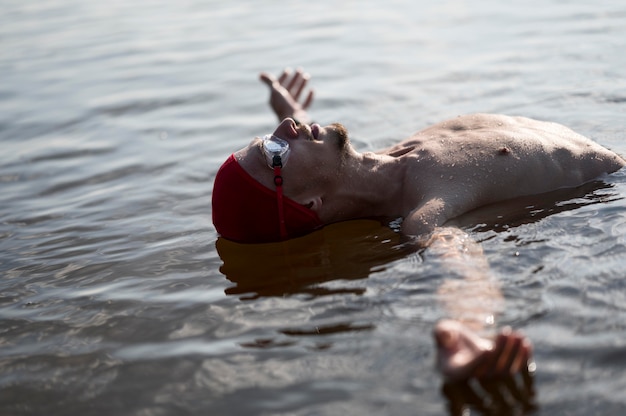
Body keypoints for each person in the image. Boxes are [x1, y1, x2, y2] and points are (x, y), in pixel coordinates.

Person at [211, 68, 625, 411]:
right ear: (312, 202)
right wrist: (466, 328)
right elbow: (459, 263)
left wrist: (290, 108)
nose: (285, 128)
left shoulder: (390, 156)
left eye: (271, 133)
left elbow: (302, 140)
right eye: (273, 150)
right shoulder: (424, 215)